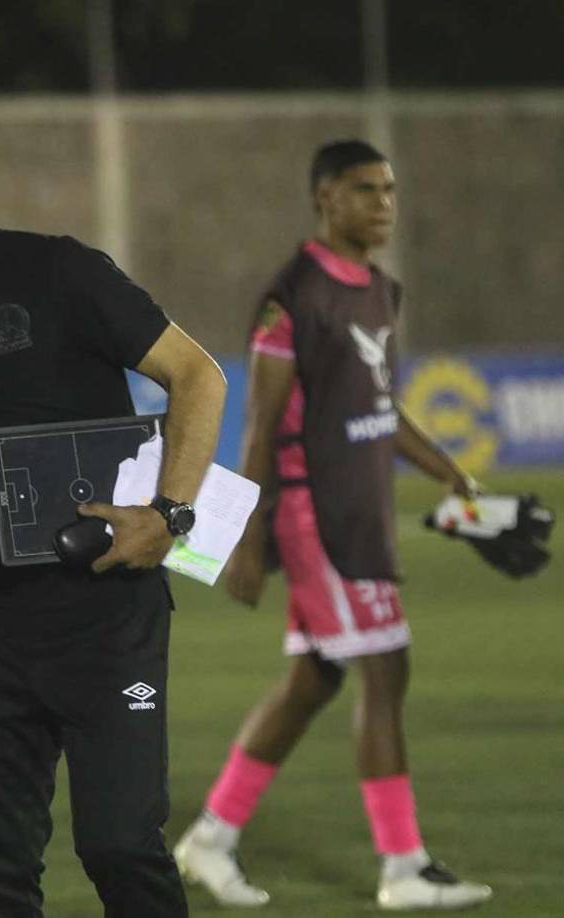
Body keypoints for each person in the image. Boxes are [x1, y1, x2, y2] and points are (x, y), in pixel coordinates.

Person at [0, 110, 228, 917]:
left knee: (120, 847)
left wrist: (171, 513)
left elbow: (198, 377)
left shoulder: (60, 273)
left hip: (106, 615)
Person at [173, 140, 493, 911]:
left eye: (389, 189)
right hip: (315, 515)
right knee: (386, 665)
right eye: (364, 190)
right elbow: (259, 424)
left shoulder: (381, 290)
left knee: (315, 679)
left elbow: (380, 407)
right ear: (325, 199)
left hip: (361, 509)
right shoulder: (296, 296)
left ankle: (211, 838)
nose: (383, 203)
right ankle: (403, 866)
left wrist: (446, 467)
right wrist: (245, 537)